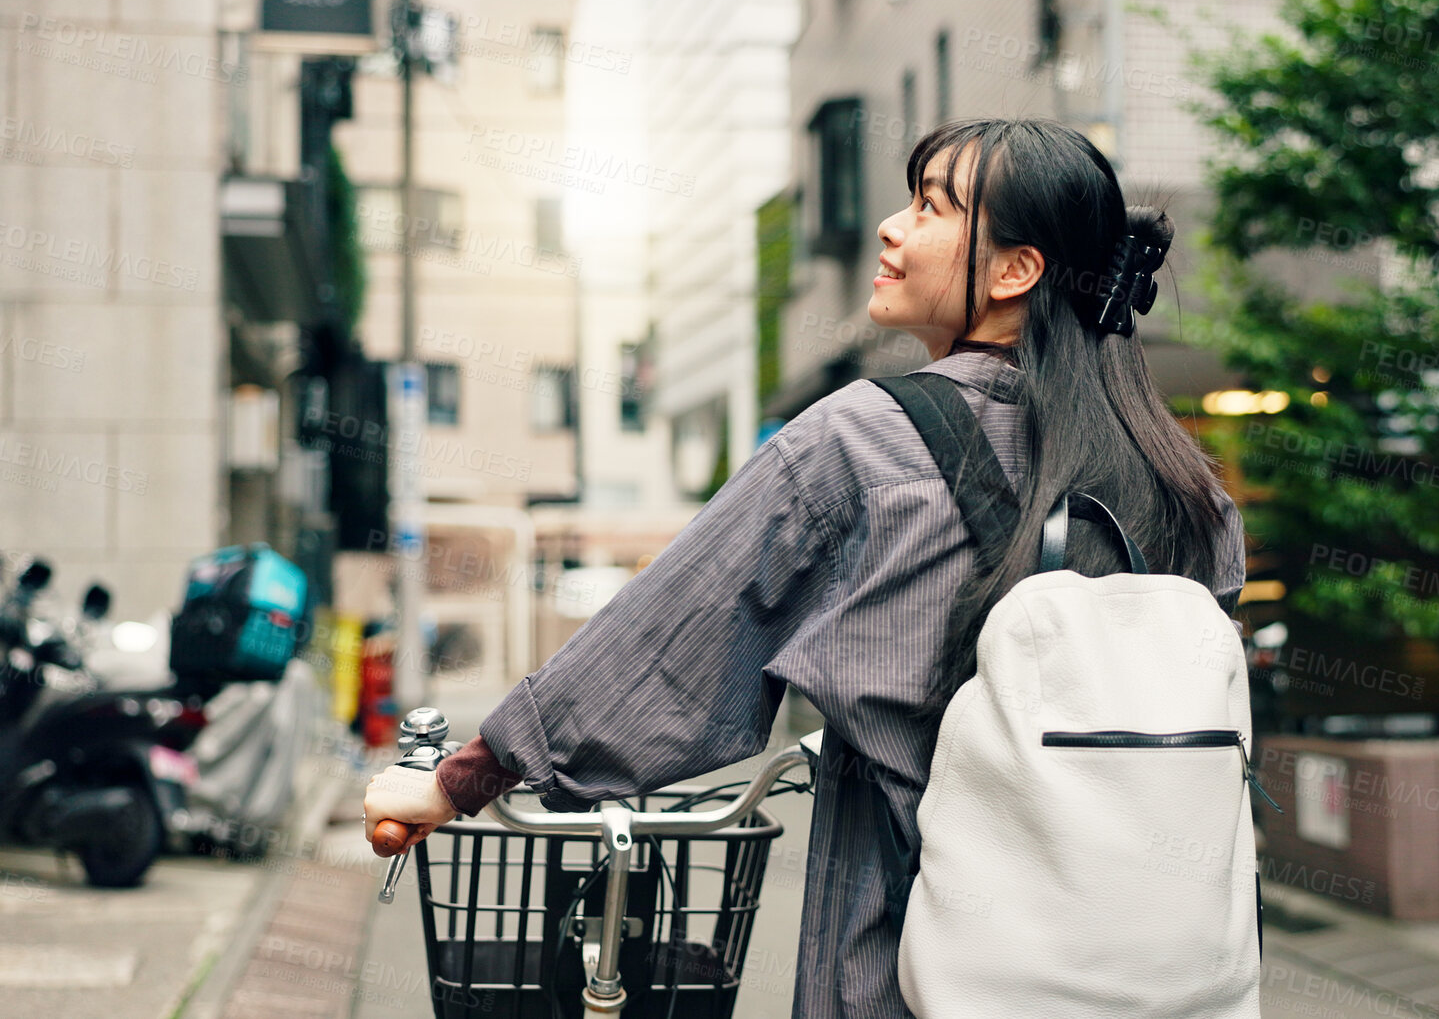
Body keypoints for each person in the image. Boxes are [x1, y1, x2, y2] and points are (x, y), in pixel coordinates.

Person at [363, 117, 1248, 1019]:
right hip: (1159, 974)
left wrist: (457, 779)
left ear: (1014, 271)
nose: (890, 228)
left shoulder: (864, 438)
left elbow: (669, 646)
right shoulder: (1185, 489)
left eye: (932, 207)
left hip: (922, 963)